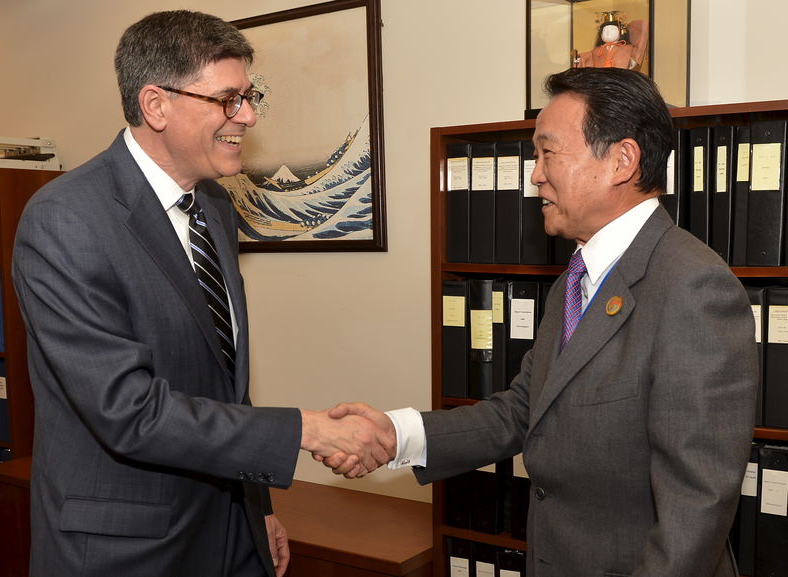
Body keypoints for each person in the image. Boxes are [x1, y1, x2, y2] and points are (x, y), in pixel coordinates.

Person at [322, 68, 759, 577]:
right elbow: (526, 409)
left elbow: (698, 503)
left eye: (548, 153)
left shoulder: (692, 286)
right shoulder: (576, 277)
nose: (535, 175)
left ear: (622, 160)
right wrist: (398, 434)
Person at [11, 10, 392, 577]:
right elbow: (128, 411)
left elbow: (224, 387)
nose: (249, 115)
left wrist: (254, 507)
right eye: (229, 99)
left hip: (227, 530)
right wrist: (308, 430)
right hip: (127, 551)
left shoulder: (214, 206)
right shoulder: (65, 218)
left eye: (249, 95)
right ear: (156, 104)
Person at [575, 13, 648, 71]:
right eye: (605, 30)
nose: (608, 33)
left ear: (620, 32)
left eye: (612, 30)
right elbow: (585, 58)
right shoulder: (596, 51)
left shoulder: (628, 49)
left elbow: (635, 59)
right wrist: (577, 57)